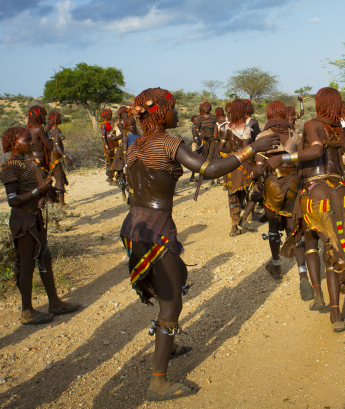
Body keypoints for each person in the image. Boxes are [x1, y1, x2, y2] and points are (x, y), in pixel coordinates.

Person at [121, 87, 277, 401]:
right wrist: (253, 148)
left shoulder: (134, 144)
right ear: (160, 112)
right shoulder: (168, 143)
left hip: (133, 225)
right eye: (173, 108)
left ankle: (169, 342)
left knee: (178, 275)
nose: (178, 113)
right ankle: (158, 382)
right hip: (157, 229)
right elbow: (212, 169)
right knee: (171, 302)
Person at [270, 88, 345, 332]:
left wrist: (284, 159)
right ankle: (336, 314)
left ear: (318, 103)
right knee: (335, 246)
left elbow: (315, 151)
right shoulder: (342, 129)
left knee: (311, 240)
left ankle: (317, 295)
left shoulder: (312, 124)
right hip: (340, 190)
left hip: (314, 190)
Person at [0, 127, 79, 325]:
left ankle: (54, 302)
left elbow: (34, 190)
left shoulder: (27, 163)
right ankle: (27, 310)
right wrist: (38, 191)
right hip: (23, 221)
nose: (32, 143)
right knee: (27, 264)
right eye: (27, 140)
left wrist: (46, 193)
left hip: (34, 218)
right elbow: (13, 200)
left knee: (45, 258)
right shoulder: (10, 168)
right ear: (14, 144)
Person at [253, 101, 313, 300]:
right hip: (294, 183)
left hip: (273, 185)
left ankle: (277, 265)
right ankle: (303, 273)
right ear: (285, 114)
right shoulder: (296, 136)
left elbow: (259, 168)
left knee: (272, 227)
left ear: (269, 114)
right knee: (293, 227)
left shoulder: (263, 137)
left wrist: (254, 174)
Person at [218, 99, 255, 236]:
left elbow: (220, 147)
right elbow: (246, 149)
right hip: (243, 163)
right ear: (243, 110)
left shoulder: (228, 127)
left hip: (230, 162)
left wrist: (232, 150)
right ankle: (244, 218)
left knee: (232, 194)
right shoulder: (245, 127)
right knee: (251, 190)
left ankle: (234, 225)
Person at [45, 111, 73, 205]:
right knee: (60, 179)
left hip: (52, 158)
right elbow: (57, 146)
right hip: (55, 158)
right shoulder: (56, 130)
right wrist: (65, 157)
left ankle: (55, 200)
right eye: (59, 117)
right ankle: (61, 202)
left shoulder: (50, 130)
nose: (61, 119)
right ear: (54, 119)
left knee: (58, 178)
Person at [195, 102, 221, 184]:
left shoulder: (214, 117)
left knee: (215, 157)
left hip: (213, 140)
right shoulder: (200, 118)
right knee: (208, 158)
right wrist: (200, 134)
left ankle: (217, 177)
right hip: (206, 141)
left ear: (210, 108)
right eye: (204, 107)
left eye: (208, 107)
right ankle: (212, 177)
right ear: (202, 108)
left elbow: (217, 126)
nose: (206, 108)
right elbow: (197, 129)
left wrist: (216, 135)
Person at [108, 106, 129, 199]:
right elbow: (111, 135)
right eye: (124, 113)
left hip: (130, 148)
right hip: (120, 150)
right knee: (121, 172)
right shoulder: (117, 124)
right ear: (120, 114)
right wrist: (114, 138)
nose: (126, 115)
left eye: (127, 113)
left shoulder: (130, 122)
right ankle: (123, 192)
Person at [100, 109, 115, 185]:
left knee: (113, 160)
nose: (111, 116)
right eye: (110, 115)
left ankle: (112, 177)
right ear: (106, 116)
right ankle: (110, 178)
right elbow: (103, 137)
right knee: (109, 161)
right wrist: (107, 147)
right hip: (108, 144)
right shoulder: (103, 124)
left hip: (112, 143)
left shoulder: (109, 123)